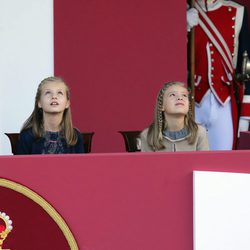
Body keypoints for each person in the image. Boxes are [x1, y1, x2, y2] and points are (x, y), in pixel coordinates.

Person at [187, 0, 250, 150]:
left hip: (224, 100)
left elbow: (246, 66)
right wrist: (182, 26)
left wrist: (246, 115)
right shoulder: (186, 10)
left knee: (223, 163)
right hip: (192, 102)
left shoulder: (237, 11)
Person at [17, 76, 84, 154]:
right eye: (48, 93)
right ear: (39, 103)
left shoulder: (75, 137)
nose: (54, 97)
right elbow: (21, 166)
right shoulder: (27, 136)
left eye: (59, 93)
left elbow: (81, 166)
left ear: (67, 103)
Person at [140, 81, 209, 152]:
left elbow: (205, 162)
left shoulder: (200, 133)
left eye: (184, 95)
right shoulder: (147, 135)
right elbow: (146, 163)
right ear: (162, 106)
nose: (180, 98)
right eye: (172, 95)